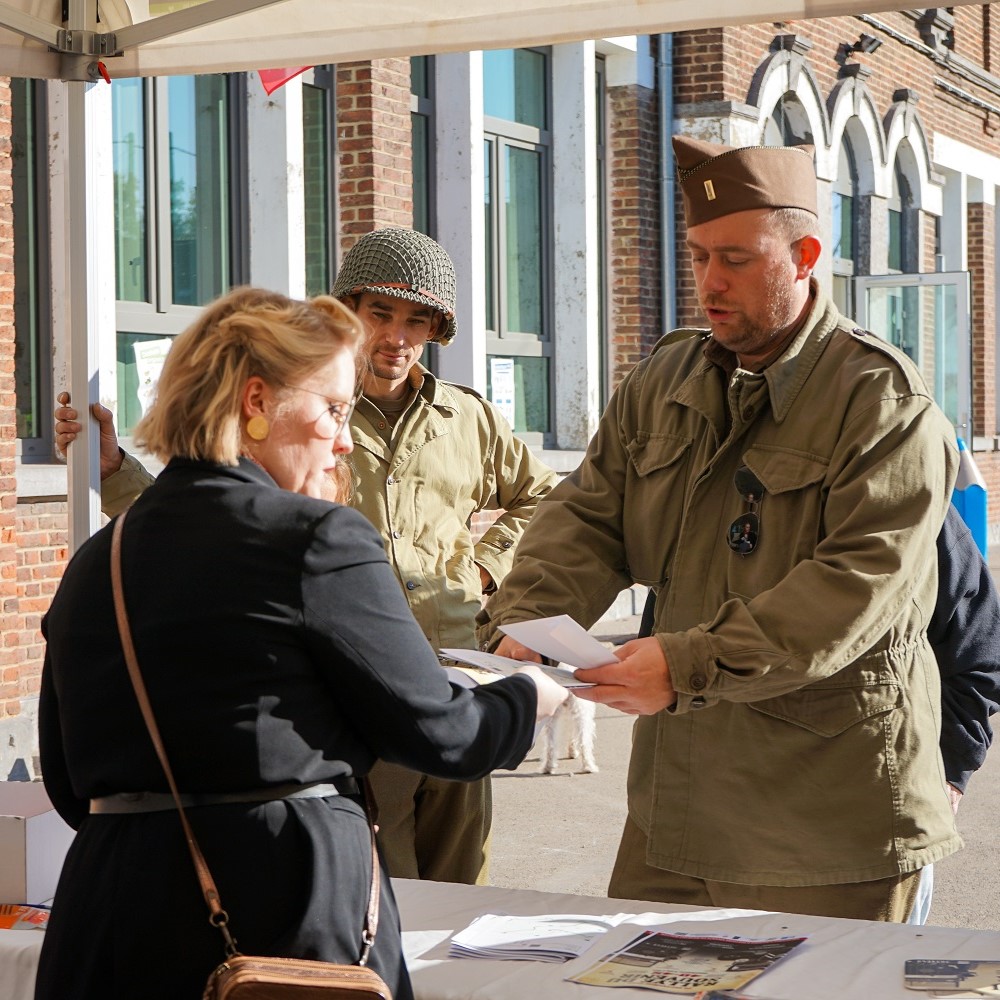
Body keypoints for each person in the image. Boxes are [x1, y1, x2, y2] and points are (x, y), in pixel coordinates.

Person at [478, 135, 961, 922]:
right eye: (699, 256)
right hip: (675, 817)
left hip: (829, 823)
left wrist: (687, 661)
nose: (709, 282)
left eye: (736, 259)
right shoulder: (666, 377)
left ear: (803, 254)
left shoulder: (882, 404)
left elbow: (855, 588)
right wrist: (528, 620)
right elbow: (589, 511)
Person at [37, 287, 567, 1000]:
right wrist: (532, 695)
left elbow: (71, 782)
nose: (345, 440)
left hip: (105, 916)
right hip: (279, 916)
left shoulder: (99, 557)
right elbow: (446, 736)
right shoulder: (316, 538)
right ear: (256, 403)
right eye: (334, 411)